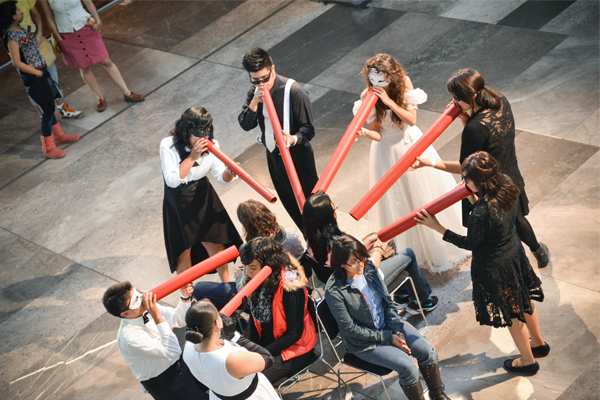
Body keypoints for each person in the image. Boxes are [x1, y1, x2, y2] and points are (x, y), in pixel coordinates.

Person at [415, 151, 548, 375]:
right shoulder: (507, 185)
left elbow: (470, 243)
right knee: (525, 300)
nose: (464, 182)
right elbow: (499, 218)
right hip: (514, 255)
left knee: (513, 314)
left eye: (467, 178)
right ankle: (538, 344)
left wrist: (438, 227)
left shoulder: (481, 214)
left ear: (480, 182)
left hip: (496, 267)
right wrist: (475, 200)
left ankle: (528, 361)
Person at [412, 69, 550, 269]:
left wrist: (429, 162)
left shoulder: (474, 128)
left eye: (457, 98)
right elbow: (490, 140)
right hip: (511, 174)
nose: (454, 103)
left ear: (472, 95)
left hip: (489, 185)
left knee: (493, 231)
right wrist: (466, 119)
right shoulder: (501, 101)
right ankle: (538, 251)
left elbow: (465, 167)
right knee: (518, 219)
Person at [354, 54, 467, 273]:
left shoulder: (404, 83)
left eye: (382, 78)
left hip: (409, 144)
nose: (378, 83)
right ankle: (410, 251)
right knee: (396, 201)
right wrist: (365, 132)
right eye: (373, 78)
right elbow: (378, 134)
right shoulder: (366, 95)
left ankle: (439, 244)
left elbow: (411, 119)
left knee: (423, 194)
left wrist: (388, 102)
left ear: (391, 74)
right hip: (386, 152)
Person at [325, 235, 452, 400]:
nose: (360, 264)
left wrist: (396, 330)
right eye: (353, 262)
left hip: (387, 325)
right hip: (364, 342)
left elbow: (387, 302)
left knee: (427, 353)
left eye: (361, 258)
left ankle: (438, 395)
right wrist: (388, 337)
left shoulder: (369, 268)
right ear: (341, 264)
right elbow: (351, 330)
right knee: (408, 368)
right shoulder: (334, 291)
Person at [302, 191, 438, 313]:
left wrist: (361, 244)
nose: (336, 212)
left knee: (392, 254)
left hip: (343, 287)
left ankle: (402, 295)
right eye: (334, 209)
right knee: (407, 254)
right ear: (328, 218)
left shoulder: (312, 245)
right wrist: (378, 249)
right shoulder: (339, 245)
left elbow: (345, 259)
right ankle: (422, 301)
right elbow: (369, 269)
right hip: (363, 286)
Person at [238, 47, 319, 230]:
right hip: (274, 157)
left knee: (311, 208)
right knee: (291, 205)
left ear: (272, 68)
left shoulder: (294, 91)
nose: (261, 84)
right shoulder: (255, 91)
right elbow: (246, 124)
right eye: (255, 80)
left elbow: (308, 129)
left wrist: (292, 139)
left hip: (297, 158)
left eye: (265, 78)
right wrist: (254, 102)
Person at [160, 107, 243, 281]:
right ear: (186, 130)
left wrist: (229, 172)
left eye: (206, 131)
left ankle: (226, 284)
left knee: (214, 241)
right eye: (198, 133)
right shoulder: (168, 144)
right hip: (178, 200)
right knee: (183, 251)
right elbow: (172, 180)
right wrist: (193, 156)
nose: (203, 137)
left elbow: (221, 177)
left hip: (202, 194)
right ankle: (186, 292)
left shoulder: (212, 144)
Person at [101, 281, 209, 400]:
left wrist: (184, 297)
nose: (142, 299)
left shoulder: (145, 310)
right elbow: (173, 351)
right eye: (135, 300)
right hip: (167, 384)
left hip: (181, 365)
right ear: (125, 313)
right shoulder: (129, 338)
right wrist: (157, 317)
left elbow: (178, 319)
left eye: (138, 293)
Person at [1, 0, 79, 159]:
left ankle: (59, 136)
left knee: (49, 105)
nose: (20, 11)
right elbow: (16, 62)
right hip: (34, 78)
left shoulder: (19, 29)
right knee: (47, 111)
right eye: (17, 10)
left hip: (42, 72)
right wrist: (36, 73)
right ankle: (48, 147)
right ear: (13, 16)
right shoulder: (11, 37)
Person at [193, 199, 305, 308]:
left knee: (199, 288)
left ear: (247, 226)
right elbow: (302, 259)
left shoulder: (250, 250)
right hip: (295, 288)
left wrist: (239, 276)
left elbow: (244, 290)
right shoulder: (290, 235)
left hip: (266, 301)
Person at [39, 0, 144, 112]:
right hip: (66, 34)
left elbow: (88, 2)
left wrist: (98, 20)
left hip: (86, 27)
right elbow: (49, 18)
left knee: (106, 62)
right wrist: (59, 38)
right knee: (84, 68)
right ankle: (100, 98)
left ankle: (127, 93)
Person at [240, 237, 317, 384]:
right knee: (236, 372)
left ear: (269, 265)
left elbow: (293, 335)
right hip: (269, 346)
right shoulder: (259, 280)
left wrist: (261, 354)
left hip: (294, 349)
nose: (248, 272)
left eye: (253, 268)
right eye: (246, 267)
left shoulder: (290, 287)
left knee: (249, 381)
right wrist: (251, 348)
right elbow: (254, 320)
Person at [183, 299, 280, 400]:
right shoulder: (230, 359)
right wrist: (234, 336)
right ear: (217, 323)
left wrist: (231, 319)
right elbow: (267, 358)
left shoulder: (187, 348)